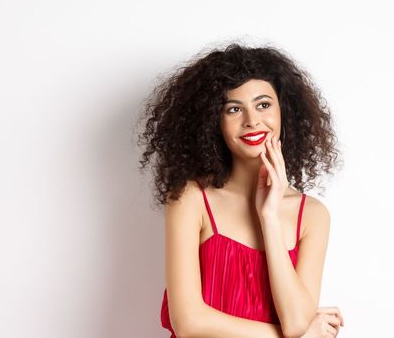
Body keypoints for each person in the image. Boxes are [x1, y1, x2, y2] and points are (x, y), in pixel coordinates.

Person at [138, 42, 344, 337]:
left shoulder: (312, 215)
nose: (252, 121)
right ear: (214, 122)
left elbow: (298, 324)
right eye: (234, 109)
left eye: (263, 104)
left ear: (284, 111)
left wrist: (269, 216)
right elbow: (188, 323)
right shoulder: (190, 199)